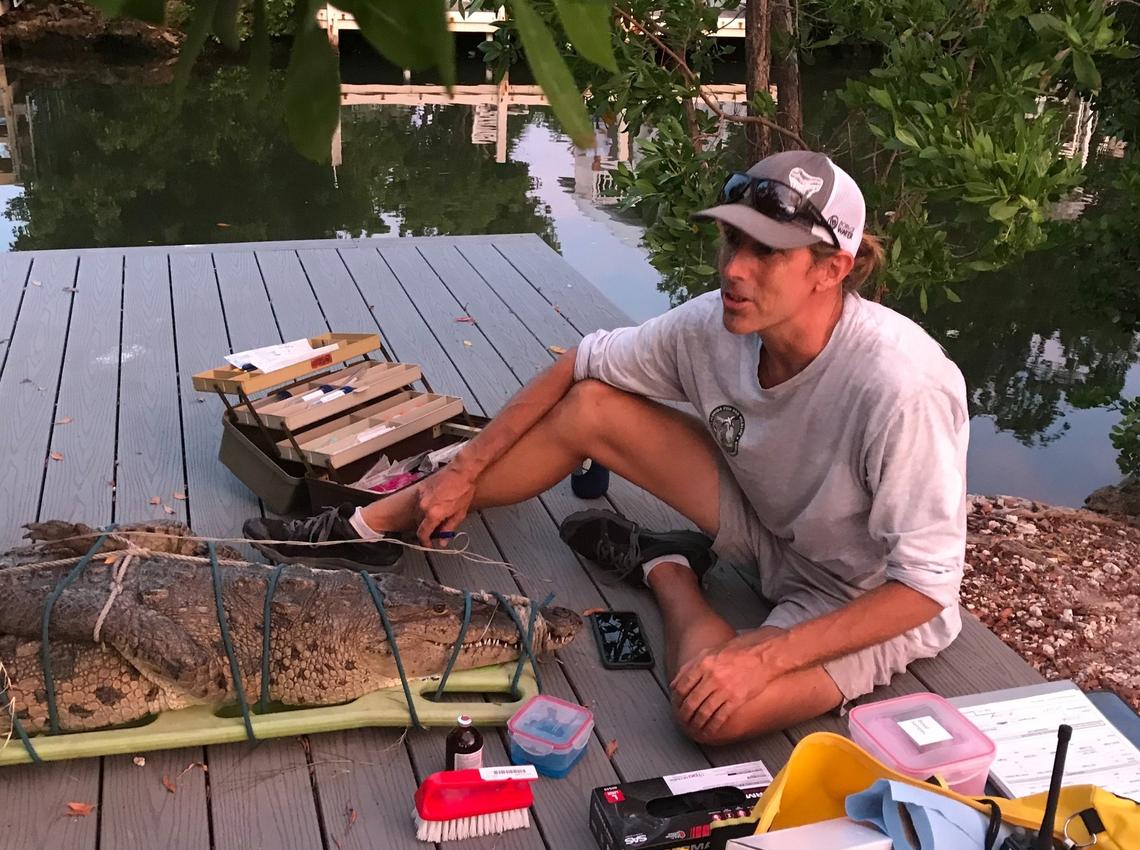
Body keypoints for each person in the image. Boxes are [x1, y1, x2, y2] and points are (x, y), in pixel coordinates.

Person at [243, 150, 969, 746]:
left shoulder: (903, 385)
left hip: (863, 593)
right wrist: (462, 469)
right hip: (766, 522)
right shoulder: (713, 325)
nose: (734, 269)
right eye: (732, 240)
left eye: (767, 252)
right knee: (591, 404)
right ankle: (366, 527)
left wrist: (770, 649)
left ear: (831, 268)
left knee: (712, 713)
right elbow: (580, 363)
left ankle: (668, 569)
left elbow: (927, 586)